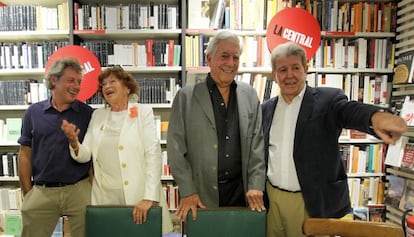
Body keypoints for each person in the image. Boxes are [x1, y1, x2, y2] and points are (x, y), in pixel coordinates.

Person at [262, 41, 408, 237]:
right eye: (282, 69)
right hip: (273, 199)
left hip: (313, 202)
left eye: (295, 68)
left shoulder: (327, 100)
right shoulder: (266, 109)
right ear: (274, 74)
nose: (289, 75)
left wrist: (375, 117)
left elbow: (348, 111)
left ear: (306, 68)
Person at [167, 30, 266, 222]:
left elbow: (257, 145)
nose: (230, 63)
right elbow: (175, 149)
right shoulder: (186, 97)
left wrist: (256, 184)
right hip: (200, 196)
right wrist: (187, 191)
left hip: (243, 194)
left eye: (235, 57)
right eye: (224, 56)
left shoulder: (250, 95)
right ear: (209, 58)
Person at [61, 66, 173, 234]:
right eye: (103, 84)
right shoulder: (98, 115)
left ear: (127, 87)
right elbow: (85, 155)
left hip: (139, 197)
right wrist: (74, 143)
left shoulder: (143, 112)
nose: (107, 86)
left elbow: (153, 155)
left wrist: (149, 197)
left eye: (112, 81)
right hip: (105, 199)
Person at [18, 58, 93, 237]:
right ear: (54, 80)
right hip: (42, 191)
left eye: (79, 82)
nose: (76, 86)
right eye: (71, 80)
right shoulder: (33, 113)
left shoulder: (87, 113)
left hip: (79, 189)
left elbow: (92, 155)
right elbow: (24, 154)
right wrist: (28, 192)